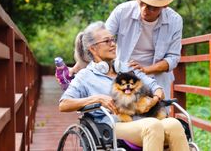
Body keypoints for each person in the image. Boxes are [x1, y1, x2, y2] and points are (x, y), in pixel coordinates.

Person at [59, 21, 189, 151]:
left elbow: (156, 87)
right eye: (107, 41)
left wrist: (154, 99)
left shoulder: (127, 68)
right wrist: (97, 99)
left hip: (143, 118)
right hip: (113, 125)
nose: (113, 44)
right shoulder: (85, 76)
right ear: (93, 48)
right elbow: (64, 104)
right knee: (152, 125)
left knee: (174, 124)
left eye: (113, 40)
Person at [105, 0, 183, 100]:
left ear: (164, 5)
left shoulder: (175, 20)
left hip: (157, 79)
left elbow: (173, 58)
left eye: (152, 8)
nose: (144, 10)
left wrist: (146, 70)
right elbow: (102, 40)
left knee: (157, 117)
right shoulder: (122, 11)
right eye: (142, 3)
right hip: (123, 76)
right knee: (122, 114)